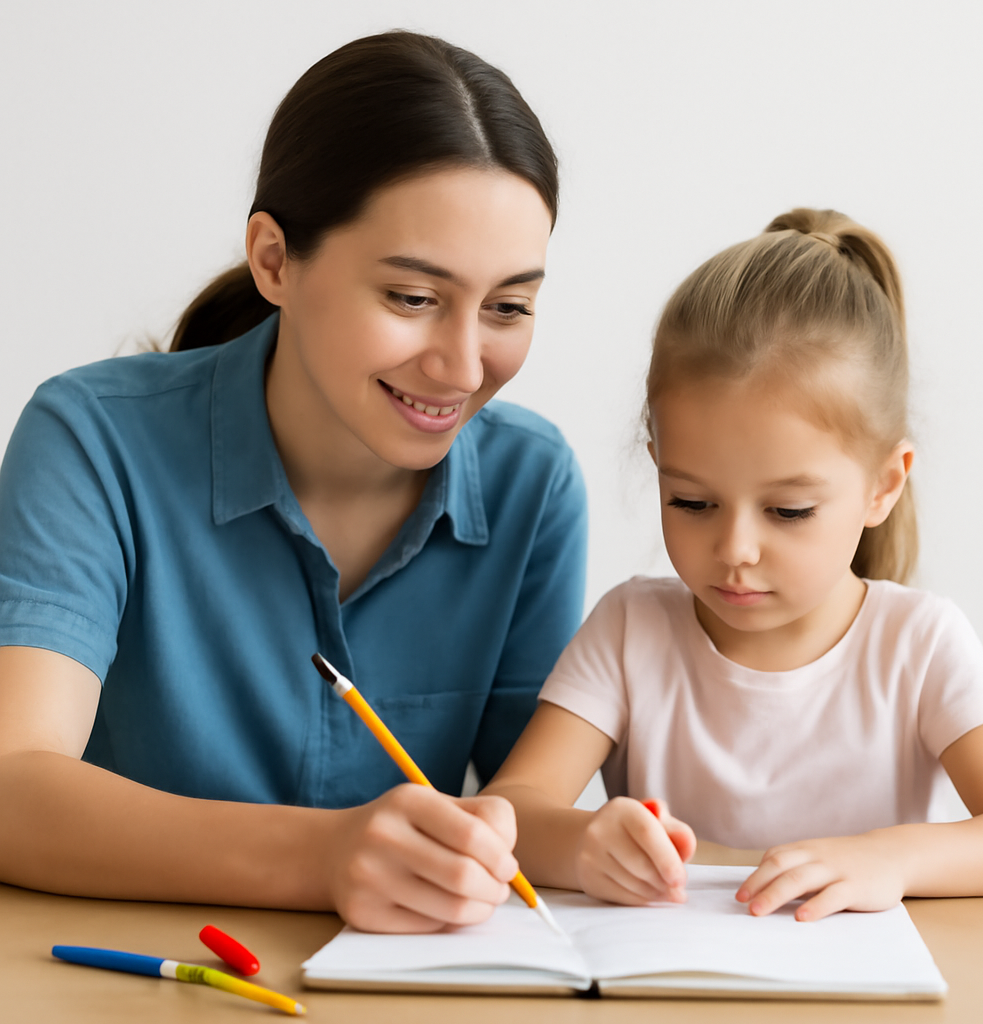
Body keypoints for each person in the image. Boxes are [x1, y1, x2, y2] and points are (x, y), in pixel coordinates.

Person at [0, 30, 587, 934]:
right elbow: (13, 787)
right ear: (275, 260)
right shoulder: (90, 440)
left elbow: (524, 808)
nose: (464, 365)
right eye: (413, 297)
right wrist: (324, 858)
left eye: (508, 306)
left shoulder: (532, 485)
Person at [485, 208, 983, 922]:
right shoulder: (630, 627)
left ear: (882, 486)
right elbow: (510, 813)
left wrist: (892, 857)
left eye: (789, 512)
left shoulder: (918, 644)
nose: (735, 550)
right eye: (692, 501)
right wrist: (584, 841)